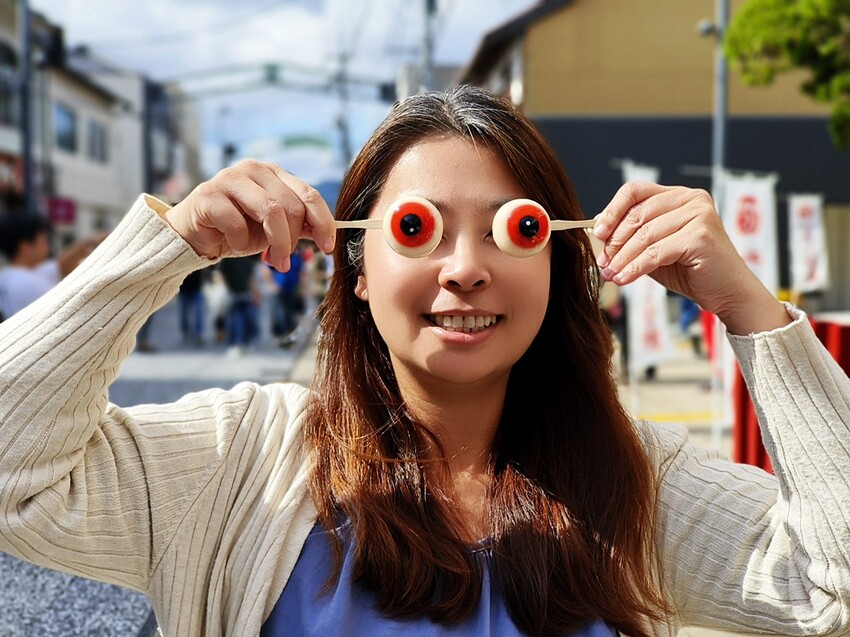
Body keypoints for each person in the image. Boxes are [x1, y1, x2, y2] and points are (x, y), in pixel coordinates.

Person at [0, 86, 848, 637]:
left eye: (513, 228)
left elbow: (833, 590)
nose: (465, 266)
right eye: (417, 228)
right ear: (359, 268)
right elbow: (15, 477)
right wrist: (165, 248)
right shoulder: (239, 460)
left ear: (557, 260)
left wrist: (755, 315)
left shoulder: (634, 480)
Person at [0, 213, 102, 320]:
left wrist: (92, 242)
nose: (47, 243)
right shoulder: (32, 284)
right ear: (26, 246)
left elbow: (61, 265)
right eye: (43, 239)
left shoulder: (10, 275)